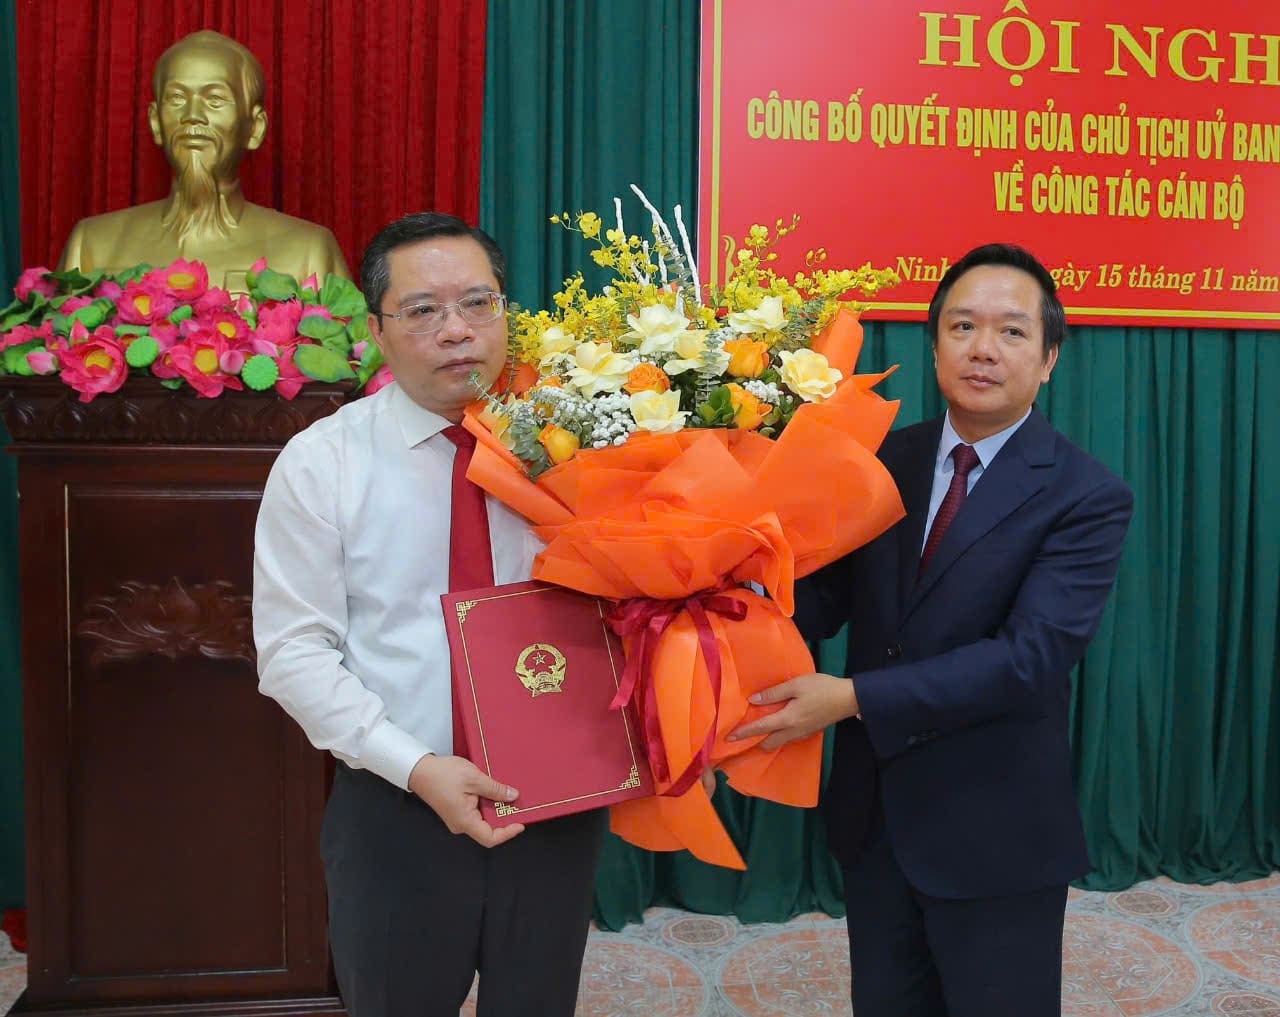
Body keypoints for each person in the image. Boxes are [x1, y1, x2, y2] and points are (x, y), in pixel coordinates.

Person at [731, 243, 1133, 1017]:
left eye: (1012, 331)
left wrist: (852, 696)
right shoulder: (885, 458)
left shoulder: (1086, 494)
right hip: (877, 819)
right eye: (963, 326)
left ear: (1049, 359)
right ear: (935, 342)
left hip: (995, 832)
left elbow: (1029, 659)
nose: (983, 348)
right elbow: (825, 599)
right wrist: (730, 589)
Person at [253, 212, 605, 1017]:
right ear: (377, 329)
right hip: (398, 804)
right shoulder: (323, 463)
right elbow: (293, 652)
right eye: (422, 310)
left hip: (553, 803)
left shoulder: (578, 447)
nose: (456, 330)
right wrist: (414, 765)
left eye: (478, 303)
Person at [58, 30, 348, 289]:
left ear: (255, 128)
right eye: (177, 98)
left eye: (215, 100)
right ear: (156, 122)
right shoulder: (92, 245)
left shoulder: (310, 252)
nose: (193, 115)